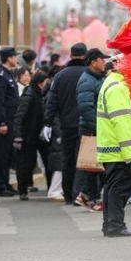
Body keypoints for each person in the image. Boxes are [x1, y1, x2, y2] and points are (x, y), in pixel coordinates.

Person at [97, 66, 131, 237]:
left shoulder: (112, 83)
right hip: (120, 150)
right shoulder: (118, 88)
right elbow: (121, 121)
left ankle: (110, 225)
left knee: (112, 186)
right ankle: (116, 225)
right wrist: (128, 153)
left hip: (113, 148)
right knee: (119, 187)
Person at [42, 43, 87, 205]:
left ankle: (68, 194)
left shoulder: (60, 76)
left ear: (71, 55)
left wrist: (48, 122)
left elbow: (52, 101)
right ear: (85, 55)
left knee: (67, 160)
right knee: (83, 160)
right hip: (85, 123)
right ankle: (79, 193)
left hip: (66, 124)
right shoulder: (88, 74)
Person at [75, 48, 110, 210]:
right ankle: (90, 197)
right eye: (101, 59)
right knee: (93, 166)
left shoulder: (97, 78)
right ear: (93, 62)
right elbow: (86, 109)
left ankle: (88, 196)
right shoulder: (87, 81)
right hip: (92, 128)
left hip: (97, 127)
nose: (104, 62)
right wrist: (98, 128)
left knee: (97, 165)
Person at [14, 71, 49, 200]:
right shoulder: (29, 94)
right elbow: (20, 115)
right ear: (40, 83)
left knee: (47, 161)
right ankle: (22, 189)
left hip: (40, 135)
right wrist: (18, 135)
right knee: (25, 163)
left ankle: (51, 188)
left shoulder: (41, 94)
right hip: (28, 135)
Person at [0, 47, 20, 197]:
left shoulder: (8, 74)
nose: (16, 59)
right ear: (8, 58)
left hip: (12, 119)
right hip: (5, 120)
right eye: (15, 56)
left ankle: (6, 182)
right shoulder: (0, 76)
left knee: (8, 154)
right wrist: (1, 123)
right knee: (1, 155)